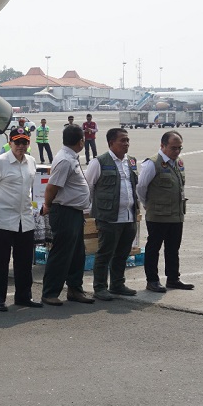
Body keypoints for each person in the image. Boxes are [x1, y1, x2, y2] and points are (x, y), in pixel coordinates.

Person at [0, 127, 41, 311]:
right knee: (0, 262)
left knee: (24, 261)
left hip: (24, 219)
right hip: (2, 219)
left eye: (24, 142)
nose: (21, 146)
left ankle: (24, 296)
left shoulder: (31, 162)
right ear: (10, 143)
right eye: (17, 142)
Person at [40, 125, 94, 305]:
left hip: (74, 212)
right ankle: (50, 292)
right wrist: (47, 205)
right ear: (81, 141)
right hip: (64, 212)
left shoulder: (70, 157)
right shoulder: (65, 160)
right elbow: (52, 187)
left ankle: (74, 289)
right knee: (62, 253)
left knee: (77, 254)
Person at [84, 128, 139, 301]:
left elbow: (134, 186)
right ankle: (100, 287)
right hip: (108, 217)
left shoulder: (131, 162)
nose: (126, 144)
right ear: (111, 143)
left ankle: (117, 284)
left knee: (122, 253)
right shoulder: (99, 162)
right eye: (122, 140)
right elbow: (89, 187)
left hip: (128, 216)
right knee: (105, 253)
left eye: (127, 140)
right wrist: (94, 211)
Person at [136, 131, 193, 292]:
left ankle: (173, 278)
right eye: (173, 148)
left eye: (179, 148)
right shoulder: (152, 163)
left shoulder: (178, 162)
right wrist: (148, 205)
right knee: (154, 248)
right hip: (158, 215)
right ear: (162, 146)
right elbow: (141, 188)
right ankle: (152, 280)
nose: (176, 152)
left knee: (173, 248)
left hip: (176, 214)